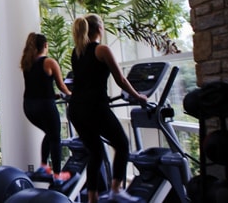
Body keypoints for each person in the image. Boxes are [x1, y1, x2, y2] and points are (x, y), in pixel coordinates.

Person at [68, 14, 147, 203]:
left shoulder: (76, 51)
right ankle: (116, 189)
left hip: (76, 109)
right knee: (122, 144)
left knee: (95, 152)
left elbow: (85, 80)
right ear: (99, 29)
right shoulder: (102, 50)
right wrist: (138, 96)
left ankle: (92, 199)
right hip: (94, 108)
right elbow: (121, 79)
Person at [20, 32, 73, 184]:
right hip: (44, 106)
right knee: (56, 137)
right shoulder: (49, 62)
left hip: (29, 107)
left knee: (50, 134)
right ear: (45, 45)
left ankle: (43, 166)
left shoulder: (27, 63)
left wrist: (54, 95)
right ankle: (57, 175)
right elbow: (62, 86)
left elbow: (37, 86)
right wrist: (72, 94)